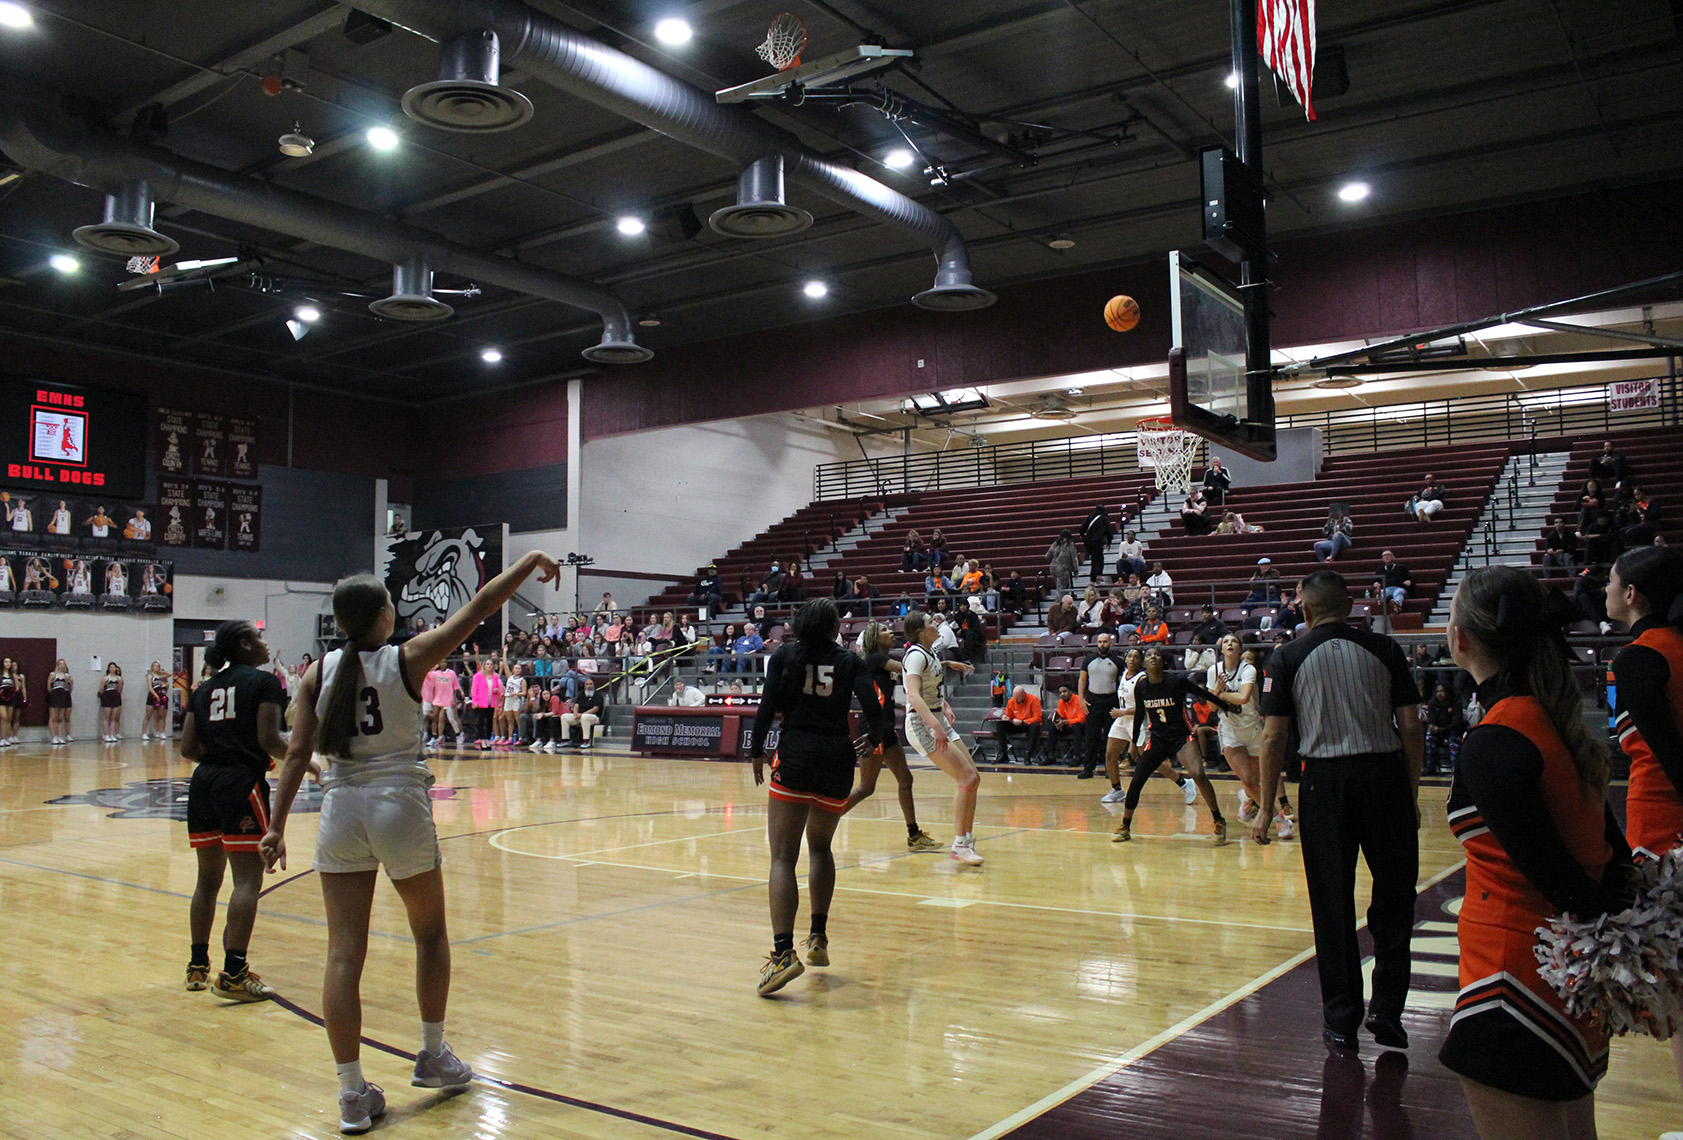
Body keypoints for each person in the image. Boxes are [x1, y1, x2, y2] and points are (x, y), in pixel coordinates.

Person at [261, 551, 560, 1133]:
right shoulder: (408, 657)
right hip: (399, 803)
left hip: (341, 810)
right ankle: (432, 1055)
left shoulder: (316, 673)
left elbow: (296, 754)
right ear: (380, 616)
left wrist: (274, 826)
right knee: (430, 936)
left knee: (343, 954)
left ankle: (351, 1093)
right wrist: (526, 563)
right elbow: (480, 606)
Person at [1438, 565, 1630, 1140]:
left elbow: (1556, 877)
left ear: (1461, 639)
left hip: (1515, 985)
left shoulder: (1497, 738)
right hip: (1566, 982)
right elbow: (1611, 860)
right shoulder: (1553, 720)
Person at [1253, 570, 1424, 1053]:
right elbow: (1411, 726)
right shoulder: (1385, 649)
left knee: (1332, 904)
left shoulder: (1286, 656)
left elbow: (1273, 738)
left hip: (1325, 783)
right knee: (1395, 898)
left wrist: (1266, 809)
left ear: (1303, 608)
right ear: (1350, 606)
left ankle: (1341, 1021)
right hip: (1385, 776)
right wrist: (1408, 793)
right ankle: (1388, 1010)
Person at [750, 598, 886, 996]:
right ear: (833, 628)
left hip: (795, 754)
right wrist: (873, 739)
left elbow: (766, 707)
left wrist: (757, 751)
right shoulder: (849, 661)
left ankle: (782, 954)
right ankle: (818, 937)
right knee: (821, 850)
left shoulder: (784, 657)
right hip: (837, 759)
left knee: (782, 857)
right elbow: (875, 709)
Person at [181, 620, 290, 1003]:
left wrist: (220, 752)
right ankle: (235, 973)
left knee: (206, 881)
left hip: (203, 784)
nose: (265, 642)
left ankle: (197, 967)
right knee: (247, 882)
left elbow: (188, 748)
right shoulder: (264, 683)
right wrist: (303, 758)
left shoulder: (204, 688)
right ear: (244, 645)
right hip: (241, 783)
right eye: (259, 637)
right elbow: (270, 740)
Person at [1111, 648, 1230, 844]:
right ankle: (1125, 825)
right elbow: (1140, 715)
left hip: (1181, 736)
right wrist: (1133, 743)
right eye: (1149, 655)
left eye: (1157, 654)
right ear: (1145, 662)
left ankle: (1218, 820)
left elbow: (1203, 693)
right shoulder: (1141, 687)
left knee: (1198, 773)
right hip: (1157, 739)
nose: (1153, 657)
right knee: (1137, 780)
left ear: (1163, 661)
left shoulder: (1176, 681)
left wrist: (1226, 706)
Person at [842, 621, 941, 852]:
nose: (890, 633)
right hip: (872, 732)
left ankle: (914, 835)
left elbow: (883, 693)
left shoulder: (882, 662)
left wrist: (897, 705)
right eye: (885, 631)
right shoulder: (876, 658)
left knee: (906, 780)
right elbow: (909, 669)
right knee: (866, 788)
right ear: (876, 640)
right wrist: (939, 663)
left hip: (887, 731)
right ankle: (827, 817)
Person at [900, 611, 983, 866]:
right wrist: (935, 724)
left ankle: (966, 838)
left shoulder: (930, 651)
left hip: (938, 718)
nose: (935, 624)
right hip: (922, 723)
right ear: (920, 631)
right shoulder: (914, 655)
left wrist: (943, 703)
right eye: (930, 622)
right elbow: (913, 696)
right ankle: (959, 845)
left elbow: (929, 685)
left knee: (974, 777)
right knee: (965, 778)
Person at [998, 685, 1043, 763]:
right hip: (1016, 724)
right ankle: (1003, 753)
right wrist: (1006, 717)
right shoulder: (1012, 701)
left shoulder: (1033, 700)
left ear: (1023, 695)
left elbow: (1038, 718)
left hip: (1027, 725)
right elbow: (1009, 715)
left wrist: (1023, 722)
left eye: (1017, 698)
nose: (1016, 700)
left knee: (1035, 725)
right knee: (1000, 724)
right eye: (1015, 698)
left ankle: (1028, 755)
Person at [559, 679, 604, 747]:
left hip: (594, 717)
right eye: (587, 684)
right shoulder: (581, 695)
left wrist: (582, 714)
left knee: (584, 717)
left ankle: (586, 740)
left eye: (591, 684)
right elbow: (576, 705)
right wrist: (575, 714)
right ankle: (566, 740)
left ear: (593, 685)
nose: (589, 686)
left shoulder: (598, 695)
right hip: (580, 716)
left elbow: (595, 709)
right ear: (584, 686)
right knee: (564, 716)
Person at [1048, 683, 1085, 764]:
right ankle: (1050, 756)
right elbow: (1060, 715)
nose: (1062, 694)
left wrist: (1066, 722)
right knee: (1052, 726)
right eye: (1060, 692)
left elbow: (1081, 719)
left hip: (1081, 727)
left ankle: (1076, 757)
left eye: (1064, 691)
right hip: (1068, 726)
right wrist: (1058, 723)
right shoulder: (1061, 702)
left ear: (1071, 691)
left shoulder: (1080, 700)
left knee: (1076, 726)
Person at [1080, 503, 1114, 584]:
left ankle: (1098, 575)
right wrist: (1109, 543)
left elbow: (1082, 529)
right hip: (1098, 542)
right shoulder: (1105, 519)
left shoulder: (1090, 517)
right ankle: (1094, 578)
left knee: (1097, 557)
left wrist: (1084, 537)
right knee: (1097, 559)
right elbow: (1109, 532)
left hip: (1088, 541)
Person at [44, 658, 73, 745]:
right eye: (60, 664)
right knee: (53, 717)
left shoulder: (67, 676)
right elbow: (49, 687)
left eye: (63, 664)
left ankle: (59, 735)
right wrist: (53, 695)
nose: (62, 665)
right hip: (54, 696)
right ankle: (53, 736)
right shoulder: (52, 675)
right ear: (57, 665)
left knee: (60, 717)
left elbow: (70, 689)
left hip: (63, 696)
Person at [142, 660, 170, 741]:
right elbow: (150, 688)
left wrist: (162, 671)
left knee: (160, 715)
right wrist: (156, 695)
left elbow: (169, 674)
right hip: (152, 696)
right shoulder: (150, 676)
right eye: (154, 666)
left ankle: (161, 732)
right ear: (152, 667)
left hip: (161, 696)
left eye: (157, 666)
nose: (156, 667)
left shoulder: (160, 676)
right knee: (148, 715)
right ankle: (144, 733)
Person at [1045, 528, 1079, 592]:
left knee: (1061, 585)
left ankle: (1064, 599)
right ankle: (1060, 600)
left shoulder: (1055, 543)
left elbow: (1047, 556)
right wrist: (1075, 571)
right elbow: (1074, 559)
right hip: (1063, 569)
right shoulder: (1070, 545)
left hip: (1053, 567)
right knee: (1062, 588)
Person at [98, 661, 124, 743]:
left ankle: (112, 734)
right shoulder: (105, 678)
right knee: (107, 717)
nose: (112, 669)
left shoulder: (119, 679)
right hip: (107, 697)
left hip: (115, 697)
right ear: (108, 669)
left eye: (114, 667)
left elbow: (119, 689)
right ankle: (106, 734)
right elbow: (101, 689)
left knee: (113, 718)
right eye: (111, 667)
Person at [0, 657, 19, 748]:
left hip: (10, 699)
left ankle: (7, 737)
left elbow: (17, 688)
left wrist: (11, 692)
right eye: (6, 662)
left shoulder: (13, 675)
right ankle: (2, 738)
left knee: (9, 718)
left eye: (9, 662)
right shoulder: (0, 674)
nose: (7, 664)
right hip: (1, 699)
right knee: (3, 717)